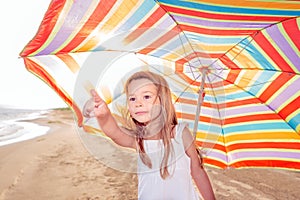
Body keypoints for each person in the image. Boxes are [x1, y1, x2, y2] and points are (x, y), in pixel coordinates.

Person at [89, 71, 215, 200]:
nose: (138, 103)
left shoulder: (180, 133)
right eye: (132, 98)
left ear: (163, 100)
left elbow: (197, 171)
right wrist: (104, 116)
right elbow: (114, 132)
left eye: (146, 96)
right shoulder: (138, 139)